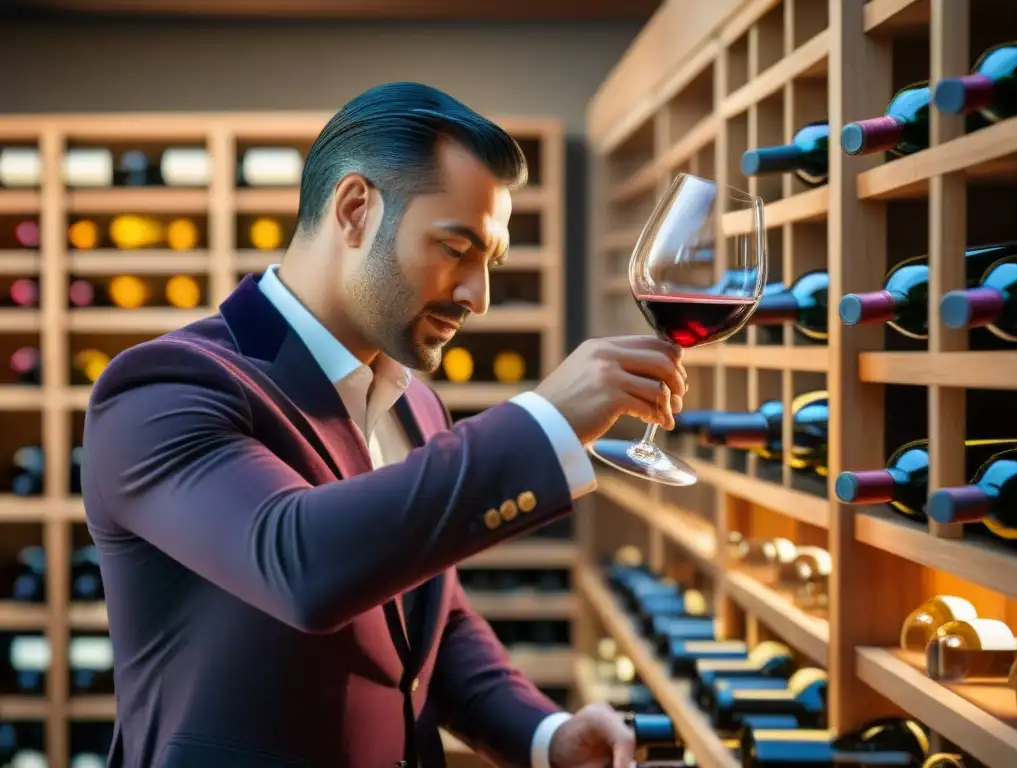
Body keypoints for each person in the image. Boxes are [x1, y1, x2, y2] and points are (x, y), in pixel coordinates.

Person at [80, 82, 688, 768]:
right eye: (456, 248)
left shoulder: (416, 402)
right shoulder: (163, 389)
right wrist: (543, 421)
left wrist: (545, 736)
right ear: (355, 210)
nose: (477, 296)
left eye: (490, 263)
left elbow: (426, 624)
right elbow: (298, 561)